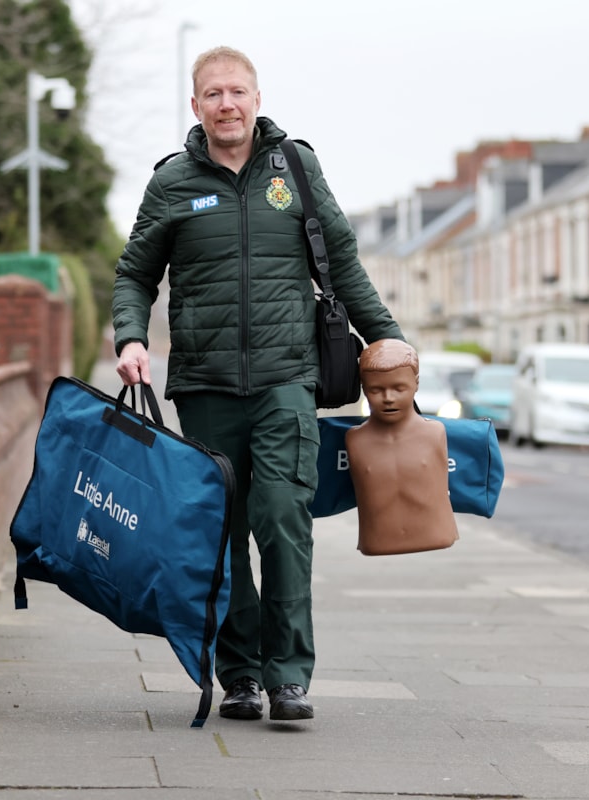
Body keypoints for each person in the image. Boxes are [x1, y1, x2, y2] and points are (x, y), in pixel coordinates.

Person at [111, 46, 403, 722]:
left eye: (237, 91)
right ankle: (239, 673)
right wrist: (129, 337)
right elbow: (134, 274)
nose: (227, 104)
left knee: (280, 516)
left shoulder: (295, 169)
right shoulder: (173, 183)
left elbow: (343, 263)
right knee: (224, 529)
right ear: (196, 107)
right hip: (206, 386)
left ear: (257, 98)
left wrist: (387, 334)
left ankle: (289, 675)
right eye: (212, 94)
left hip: (286, 380)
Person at [346, 339, 458, 555]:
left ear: (416, 383)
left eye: (399, 388)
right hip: (375, 540)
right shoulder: (354, 439)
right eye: (376, 390)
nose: (388, 398)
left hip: (436, 533)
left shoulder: (435, 432)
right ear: (364, 388)